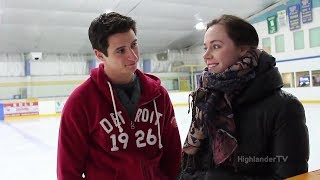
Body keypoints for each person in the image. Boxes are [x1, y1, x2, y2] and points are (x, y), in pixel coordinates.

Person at [180, 14, 309, 179]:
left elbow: (292, 177)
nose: (206, 55)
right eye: (205, 47)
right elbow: (190, 167)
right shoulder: (208, 98)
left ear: (243, 49)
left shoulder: (285, 107)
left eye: (216, 46)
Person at [57, 12, 182, 180]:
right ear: (100, 55)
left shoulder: (158, 95)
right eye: (121, 50)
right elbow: (68, 171)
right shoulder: (81, 102)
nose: (133, 55)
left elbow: (173, 155)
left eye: (134, 44)